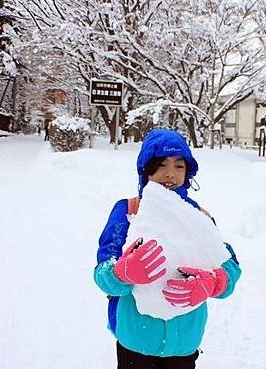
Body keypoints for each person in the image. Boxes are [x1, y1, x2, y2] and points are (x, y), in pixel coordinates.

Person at [94, 129, 241, 369]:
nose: (170, 174)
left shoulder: (199, 217)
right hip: (135, 344)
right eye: (161, 165)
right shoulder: (129, 212)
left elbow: (229, 269)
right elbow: (102, 274)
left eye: (179, 166)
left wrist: (213, 283)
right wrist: (121, 273)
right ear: (146, 170)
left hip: (184, 345)